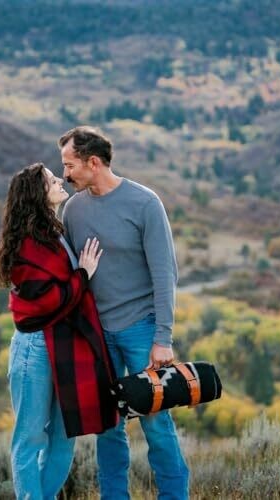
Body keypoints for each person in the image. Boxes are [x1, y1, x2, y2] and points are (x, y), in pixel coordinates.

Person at [59, 127, 189, 500]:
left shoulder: (145, 203)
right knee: (108, 426)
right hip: (98, 336)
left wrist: (162, 338)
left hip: (141, 331)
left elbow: (165, 275)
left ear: (93, 162)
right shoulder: (73, 210)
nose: (65, 175)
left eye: (69, 165)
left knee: (156, 423)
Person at [0, 162, 118, 500]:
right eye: (51, 180)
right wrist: (83, 275)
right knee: (30, 438)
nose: (59, 179)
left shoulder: (54, 231)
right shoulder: (27, 244)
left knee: (64, 438)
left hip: (64, 345)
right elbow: (44, 301)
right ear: (37, 194)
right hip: (35, 347)